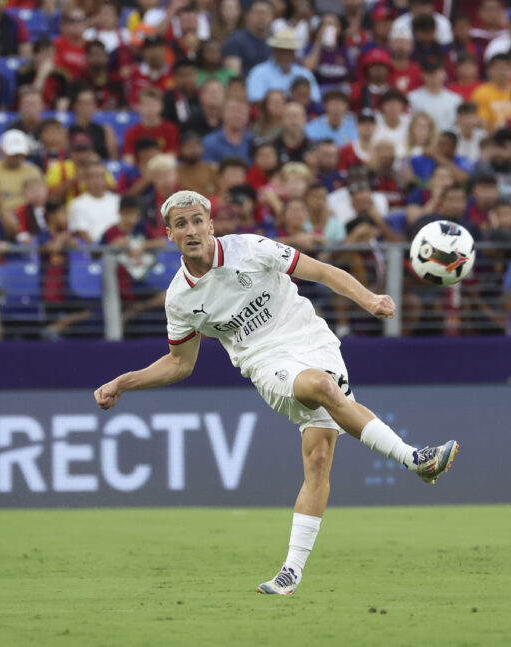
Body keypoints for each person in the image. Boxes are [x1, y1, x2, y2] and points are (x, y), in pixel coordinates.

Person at [93, 190, 458, 596]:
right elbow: (180, 363)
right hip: (266, 363)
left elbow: (321, 271)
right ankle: (415, 460)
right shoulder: (180, 298)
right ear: (169, 234)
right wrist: (122, 382)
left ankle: (290, 573)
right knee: (322, 386)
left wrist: (368, 299)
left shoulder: (251, 248)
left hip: (315, 342)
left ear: (211, 224)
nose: (192, 230)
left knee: (318, 461)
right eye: (182, 225)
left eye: (198, 221)